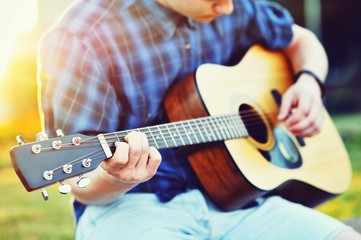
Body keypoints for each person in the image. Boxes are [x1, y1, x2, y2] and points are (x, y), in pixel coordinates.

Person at [37, 0, 361, 239]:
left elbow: (302, 40)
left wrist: (308, 83)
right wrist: (117, 178)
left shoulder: (234, 6)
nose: (229, 9)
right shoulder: (80, 38)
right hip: (132, 211)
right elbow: (81, 186)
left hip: (240, 205)